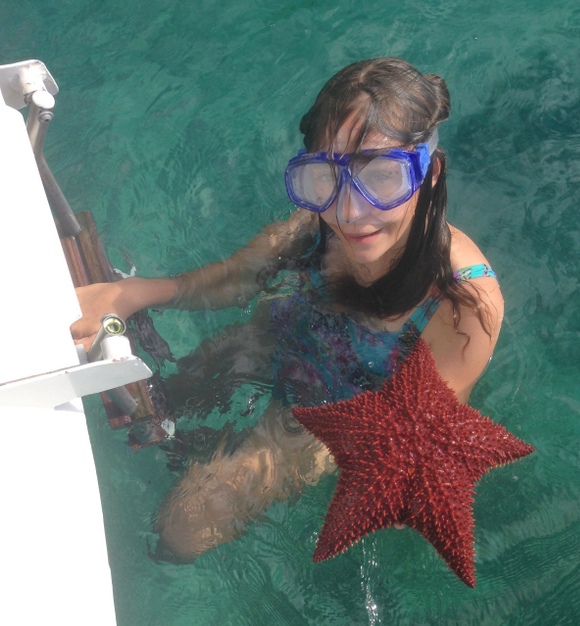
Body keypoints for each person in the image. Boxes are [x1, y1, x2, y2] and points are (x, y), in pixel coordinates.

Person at [72, 58, 504, 562]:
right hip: (278, 338)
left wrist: (385, 472)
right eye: (325, 176)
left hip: (340, 409)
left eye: (384, 176)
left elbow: (421, 429)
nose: (350, 211)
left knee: (185, 523)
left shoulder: (463, 306)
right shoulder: (321, 215)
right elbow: (237, 277)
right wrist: (132, 293)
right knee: (154, 402)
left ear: (428, 173)